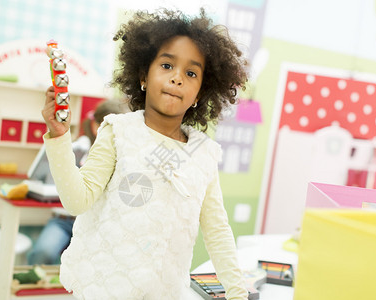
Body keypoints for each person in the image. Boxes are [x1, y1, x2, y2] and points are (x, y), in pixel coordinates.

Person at [41, 8, 249, 300]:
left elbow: (217, 232)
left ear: (200, 93)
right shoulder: (118, 131)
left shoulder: (203, 154)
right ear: (143, 75)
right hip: (103, 290)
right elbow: (77, 200)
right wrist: (60, 137)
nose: (177, 78)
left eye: (191, 73)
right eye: (167, 66)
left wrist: (238, 293)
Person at [27, 100, 124, 265]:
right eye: (107, 126)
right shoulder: (79, 148)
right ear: (95, 126)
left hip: (97, 224)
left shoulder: (121, 156)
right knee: (43, 253)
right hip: (65, 220)